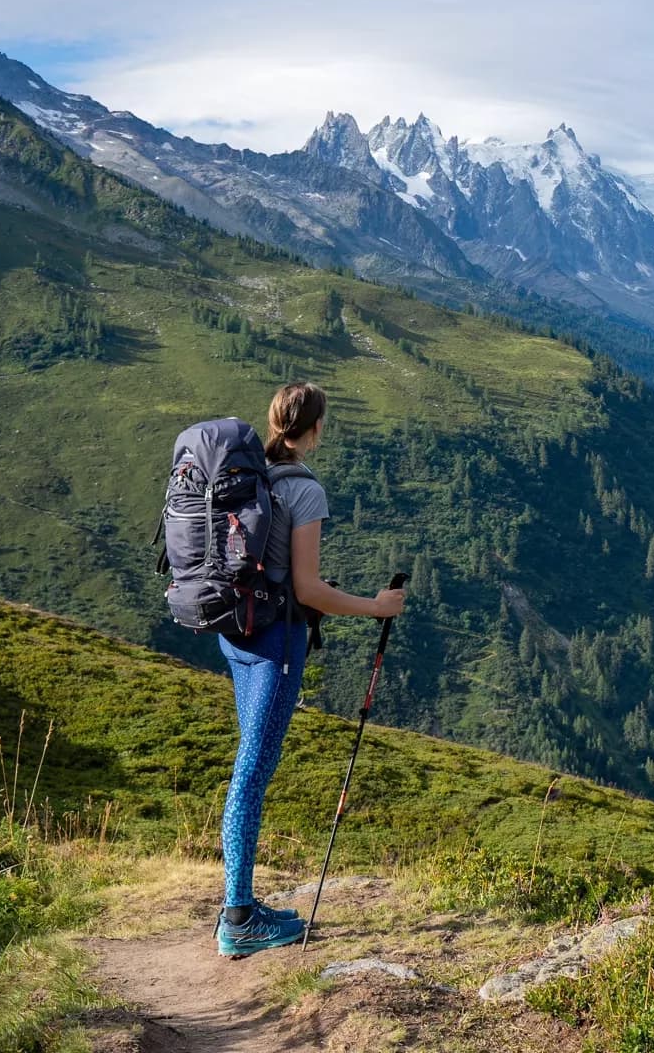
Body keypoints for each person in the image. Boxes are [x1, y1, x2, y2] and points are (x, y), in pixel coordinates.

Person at [216, 381, 407, 958]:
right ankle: (239, 919)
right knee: (252, 771)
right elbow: (308, 589)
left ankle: (241, 901)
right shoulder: (302, 489)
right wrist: (376, 607)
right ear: (315, 429)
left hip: (234, 634)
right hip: (275, 643)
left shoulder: (247, 475)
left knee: (248, 761)